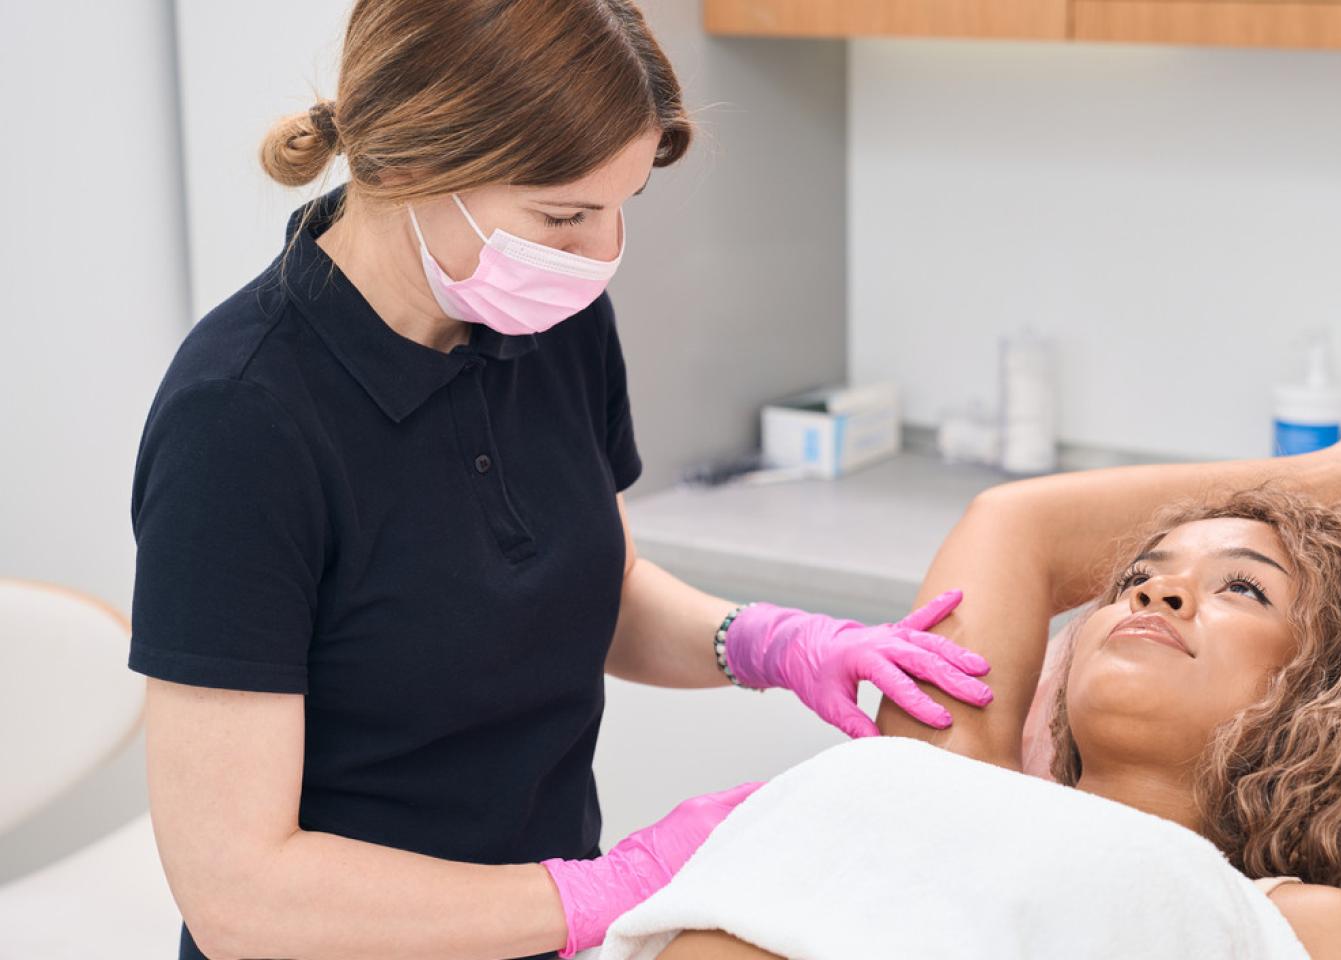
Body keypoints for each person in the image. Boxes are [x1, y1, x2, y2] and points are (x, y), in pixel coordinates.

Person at [128, 3, 996, 958]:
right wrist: (607, 888)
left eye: (620, 206)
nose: (599, 252)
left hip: (536, 936)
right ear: (417, 165)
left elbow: (600, 587)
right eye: (565, 216)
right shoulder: (241, 420)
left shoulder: (548, 317)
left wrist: (765, 642)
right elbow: (240, 897)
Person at [654, 409, 1341, 959]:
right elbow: (1016, 524)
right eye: (1137, 581)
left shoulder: (1314, 927)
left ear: (1330, 693)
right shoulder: (950, 761)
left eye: (1240, 591)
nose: (1152, 599)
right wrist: (1338, 475)